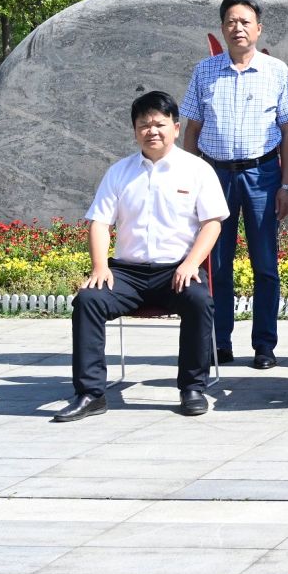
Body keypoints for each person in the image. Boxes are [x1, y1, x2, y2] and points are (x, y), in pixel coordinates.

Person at [56, 91, 227, 422]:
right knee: (89, 300)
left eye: (159, 124)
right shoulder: (119, 172)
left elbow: (212, 224)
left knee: (198, 300)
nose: (152, 131)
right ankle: (90, 394)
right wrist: (99, 266)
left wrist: (191, 263)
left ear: (175, 127)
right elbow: (99, 222)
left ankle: (192, 388)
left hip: (176, 271)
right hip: (127, 274)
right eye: (144, 125)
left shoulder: (197, 170)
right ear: (135, 131)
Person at [180, 0, 288, 370]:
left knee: (264, 263)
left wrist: (286, 185)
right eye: (231, 21)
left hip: (262, 175)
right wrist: (190, 180)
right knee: (217, 263)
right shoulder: (205, 71)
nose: (238, 28)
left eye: (245, 22)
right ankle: (219, 342)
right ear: (222, 28)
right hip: (215, 175)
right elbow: (191, 130)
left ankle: (264, 344)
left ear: (258, 28)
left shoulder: (276, 71)